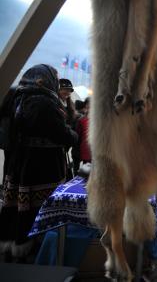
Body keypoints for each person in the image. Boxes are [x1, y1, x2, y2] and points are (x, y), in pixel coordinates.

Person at [0, 64, 78, 261]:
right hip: (43, 167)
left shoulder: (15, 97)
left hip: (20, 162)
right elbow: (63, 134)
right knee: (40, 209)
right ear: (45, 79)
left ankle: (14, 246)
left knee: (19, 206)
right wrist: (73, 135)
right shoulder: (43, 102)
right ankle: (38, 250)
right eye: (55, 77)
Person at [58, 78, 79, 177]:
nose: (67, 92)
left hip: (66, 144)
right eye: (64, 89)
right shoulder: (55, 104)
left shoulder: (71, 105)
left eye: (69, 90)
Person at [75, 97, 91, 165]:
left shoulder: (101, 121)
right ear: (86, 106)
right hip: (86, 153)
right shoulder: (81, 120)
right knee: (86, 172)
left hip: (98, 153)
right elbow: (78, 136)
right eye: (88, 104)